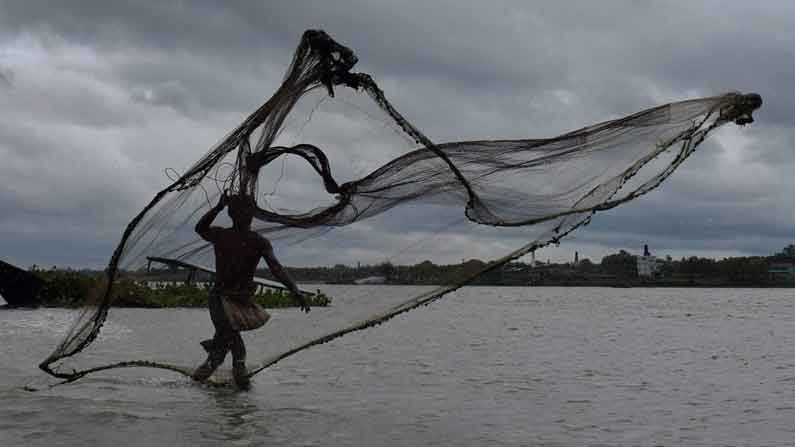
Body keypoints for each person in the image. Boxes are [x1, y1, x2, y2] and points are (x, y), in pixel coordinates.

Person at [192, 192, 308, 389]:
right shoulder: (222, 235)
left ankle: (199, 383)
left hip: (240, 299)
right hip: (220, 297)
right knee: (236, 347)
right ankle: (241, 388)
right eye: (240, 212)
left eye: (248, 212)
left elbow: (276, 268)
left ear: (252, 214)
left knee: (219, 352)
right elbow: (200, 228)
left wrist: (295, 289)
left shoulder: (258, 242)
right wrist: (218, 206)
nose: (245, 216)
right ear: (232, 214)